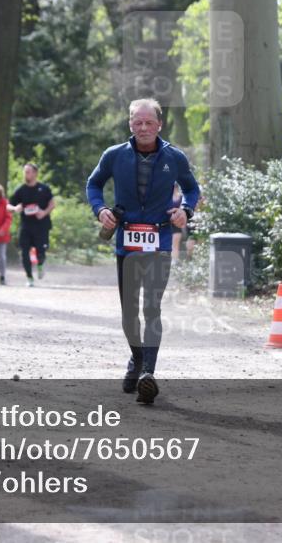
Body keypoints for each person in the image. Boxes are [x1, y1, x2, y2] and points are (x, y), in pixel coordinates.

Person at [87, 98, 200, 404]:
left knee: (151, 308)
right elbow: (93, 184)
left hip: (159, 242)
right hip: (126, 243)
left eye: (149, 122)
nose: (144, 127)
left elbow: (192, 188)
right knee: (129, 313)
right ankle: (137, 360)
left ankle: (148, 373)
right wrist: (100, 210)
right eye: (138, 122)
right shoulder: (114, 155)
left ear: (159, 125)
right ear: (130, 124)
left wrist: (185, 211)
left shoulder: (174, 157)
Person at [9, 163, 55, 287]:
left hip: (42, 226)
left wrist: (44, 212)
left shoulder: (44, 189)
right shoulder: (21, 190)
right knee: (24, 252)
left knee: (41, 252)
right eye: (25, 172)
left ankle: (40, 264)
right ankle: (29, 278)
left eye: (28, 172)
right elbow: (8, 205)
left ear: (35, 173)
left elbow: (52, 204)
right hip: (26, 226)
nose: (26, 174)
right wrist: (15, 208)